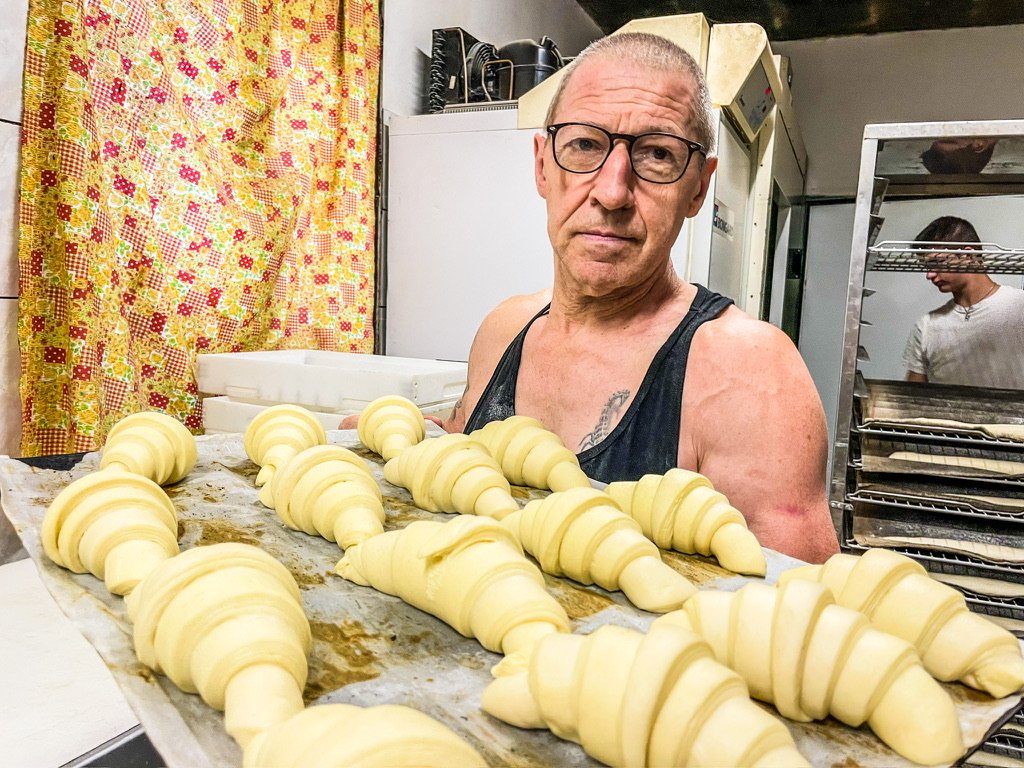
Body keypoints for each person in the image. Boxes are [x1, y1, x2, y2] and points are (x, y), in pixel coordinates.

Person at [903, 215, 1024, 388]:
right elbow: (912, 397)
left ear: (968, 254)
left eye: (937, 263)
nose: (929, 274)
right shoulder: (926, 326)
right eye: (926, 267)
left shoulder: (1019, 307)